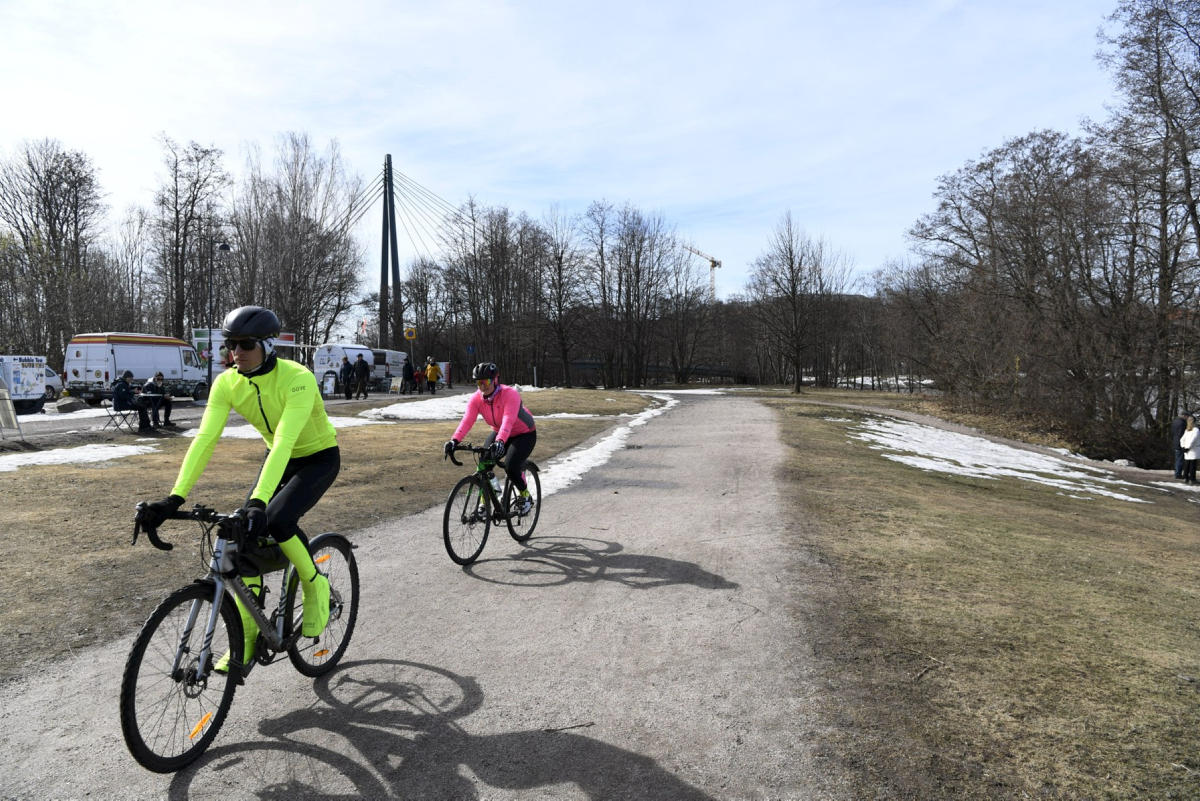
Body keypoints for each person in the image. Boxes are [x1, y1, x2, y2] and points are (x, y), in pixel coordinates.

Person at [137, 306, 336, 674]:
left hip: (316, 458)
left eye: (245, 344)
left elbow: (285, 442)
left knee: (275, 520)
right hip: (279, 457)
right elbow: (205, 439)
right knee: (238, 537)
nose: (236, 353)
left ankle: (313, 585)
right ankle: (247, 633)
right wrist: (174, 498)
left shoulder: (297, 378)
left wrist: (260, 502)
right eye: (231, 344)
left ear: (267, 345)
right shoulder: (227, 382)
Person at [443, 362, 537, 515]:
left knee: (511, 466)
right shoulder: (476, 399)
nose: (483, 386)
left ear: (495, 380)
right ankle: (485, 502)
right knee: (484, 463)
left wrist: (500, 441)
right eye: (479, 383)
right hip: (500, 432)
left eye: (486, 382)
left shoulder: (510, 394)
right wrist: (454, 440)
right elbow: (467, 420)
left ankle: (525, 496)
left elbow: (508, 420)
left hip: (524, 433)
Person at [1172, 409, 1190, 480]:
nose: (1187, 417)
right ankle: (1178, 474)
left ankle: (1177, 473)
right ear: (1183, 415)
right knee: (1180, 459)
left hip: (1175, 442)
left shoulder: (1175, 422)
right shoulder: (1182, 423)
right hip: (1180, 443)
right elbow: (1182, 435)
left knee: (1177, 459)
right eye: (1186, 416)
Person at [1182, 415, 1199, 485]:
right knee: (1192, 465)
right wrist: (1188, 447)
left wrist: (1183, 447)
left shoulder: (1187, 430)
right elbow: (1193, 439)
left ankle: (1186, 478)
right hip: (1193, 449)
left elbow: (1182, 439)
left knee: (1187, 464)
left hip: (1187, 450)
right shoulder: (1196, 430)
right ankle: (1192, 479)